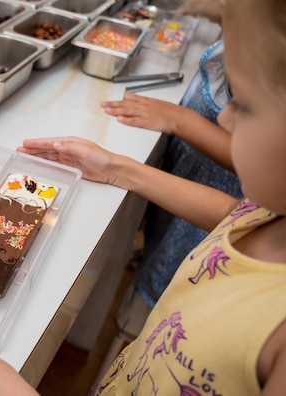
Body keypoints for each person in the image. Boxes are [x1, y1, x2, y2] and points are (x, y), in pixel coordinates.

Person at [0, 0, 286, 394]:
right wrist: (117, 168)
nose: (224, 117)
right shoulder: (273, 217)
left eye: (245, 105)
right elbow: (238, 217)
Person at [101, 0, 243, 323]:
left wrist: (180, 120)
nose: (229, 119)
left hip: (195, 235)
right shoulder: (237, 32)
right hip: (181, 203)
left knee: (157, 310)